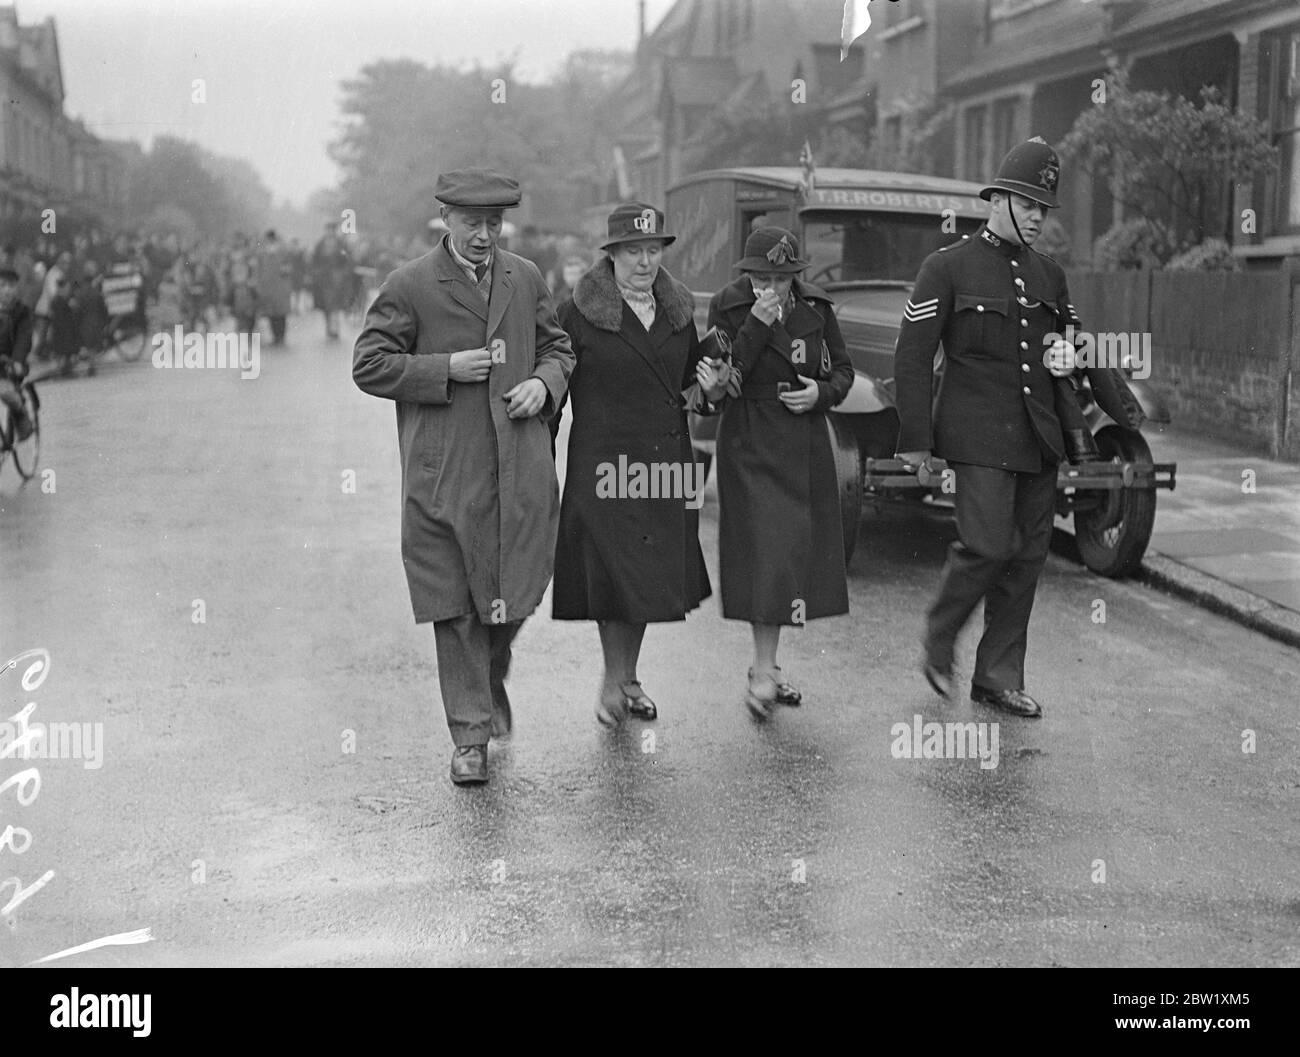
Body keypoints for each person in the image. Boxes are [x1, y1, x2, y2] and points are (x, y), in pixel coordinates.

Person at [352, 168, 575, 786]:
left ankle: (490, 675)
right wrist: (444, 367)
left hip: (519, 466)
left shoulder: (525, 278)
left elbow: (560, 348)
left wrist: (543, 382)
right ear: (444, 220)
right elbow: (368, 364)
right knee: (456, 604)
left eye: (493, 224)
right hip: (446, 472)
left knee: (515, 588)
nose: (483, 235)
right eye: (471, 223)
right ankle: (469, 737)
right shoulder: (412, 285)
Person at [894, 136, 1086, 719]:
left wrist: (1070, 351)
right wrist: (916, 443)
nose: (1036, 218)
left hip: (1037, 437)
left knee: (1027, 557)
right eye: (1027, 204)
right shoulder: (947, 266)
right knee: (986, 545)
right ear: (997, 199)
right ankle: (939, 633)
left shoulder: (1049, 275)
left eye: (1043, 209)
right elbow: (912, 354)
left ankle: (997, 676)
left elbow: (1071, 337)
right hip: (975, 436)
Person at [553, 203, 726, 726]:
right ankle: (612, 680)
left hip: (665, 463)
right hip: (604, 463)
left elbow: (693, 388)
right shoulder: (577, 312)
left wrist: (710, 391)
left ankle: (628, 677)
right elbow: (555, 382)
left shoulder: (677, 310)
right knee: (614, 572)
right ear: (612, 255)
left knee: (648, 575)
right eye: (633, 251)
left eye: (653, 251)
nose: (645, 262)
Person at [706, 228, 855, 719]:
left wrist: (822, 394)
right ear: (748, 274)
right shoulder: (728, 307)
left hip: (804, 440)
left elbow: (844, 372)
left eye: (783, 278)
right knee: (768, 550)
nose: (772, 286)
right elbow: (722, 380)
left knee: (793, 552)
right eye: (762, 277)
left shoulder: (818, 308)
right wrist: (754, 323)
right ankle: (763, 668)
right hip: (749, 438)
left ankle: (769, 665)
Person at [0, 266, 34, 442]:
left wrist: (17, 360)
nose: (6, 290)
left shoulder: (21, 312)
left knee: (6, 392)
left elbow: (24, 337)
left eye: (11, 286)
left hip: (10, 364)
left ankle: (21, 415)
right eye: (2, 285)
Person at [310, 223, 352, 339]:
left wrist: (344, 272)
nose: (330, 232)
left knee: (335, 304)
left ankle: (334, 327)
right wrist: (316, 272)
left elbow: (347, 259)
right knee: (325, 304)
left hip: (337, 278)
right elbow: (314, 260)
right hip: (323, 279)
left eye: (332, 230)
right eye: (328, 230)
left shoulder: (341, 244)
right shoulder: (320, 244)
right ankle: (329, 325)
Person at [256, 230, 293, 346]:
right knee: (271, 314)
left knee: (281, 314)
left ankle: (281, 336)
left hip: (280, 287)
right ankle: (275, 336)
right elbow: (259, 271)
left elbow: (289, 268)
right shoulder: (262, 253)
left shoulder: (283, 252)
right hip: (269, 288)